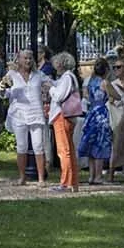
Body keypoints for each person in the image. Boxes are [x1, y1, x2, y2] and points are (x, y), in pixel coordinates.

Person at [0, 49, 50, 186]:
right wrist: (2, 88)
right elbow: (3, 94)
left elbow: (52, 84)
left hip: (36, 114)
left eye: (30, 58)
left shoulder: (39, 75)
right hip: (19, 114)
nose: (28, 61)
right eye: (25, 58)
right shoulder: (12, 75)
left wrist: (51, 88)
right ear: (19, 60)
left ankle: (41, 179)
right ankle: (22, 177)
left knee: (38, 145)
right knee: (22, 146)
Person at [48, 52, 83, 192]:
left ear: (60, 64)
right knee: (69, 150)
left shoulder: (67, 77)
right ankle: (73, 182)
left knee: (64, 151)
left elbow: (58, 96)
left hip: (62, 116)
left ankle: (66, 183)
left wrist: (50, 88)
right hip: (67, 116)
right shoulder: (69, 77)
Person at [78, 58, 114, 184]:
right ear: (106, 70)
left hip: (91, 112)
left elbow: (87, 96)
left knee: (91, 144)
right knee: (100, 144)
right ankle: (98, 176)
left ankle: (91, 176)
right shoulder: (104, 83)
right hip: (101, 114)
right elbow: (115, 95)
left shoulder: (90, 82)